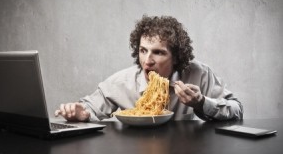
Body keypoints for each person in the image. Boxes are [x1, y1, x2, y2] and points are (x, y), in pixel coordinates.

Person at [55, 15, 243, 122]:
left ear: (176, 56)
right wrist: (82, 113)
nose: (147, 60)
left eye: (158, 53)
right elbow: (89, 108)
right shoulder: (122, 82)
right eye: (143, 50)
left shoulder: (198, 74)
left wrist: (202, 103)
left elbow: (237, 109)